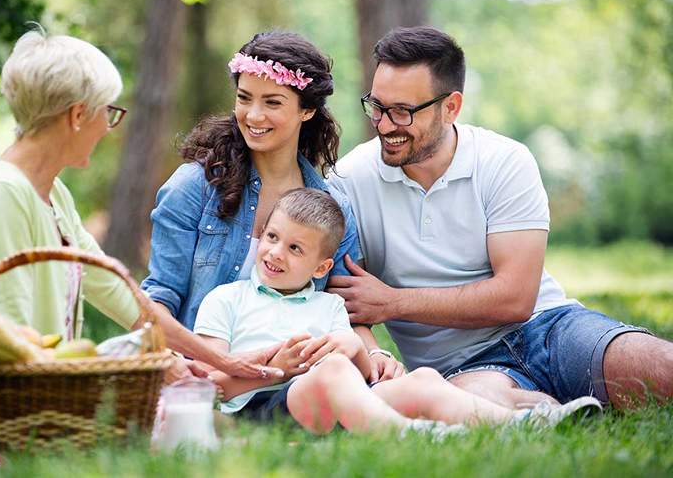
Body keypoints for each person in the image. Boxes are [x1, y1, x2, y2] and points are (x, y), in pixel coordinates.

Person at [327, 25, 673, 409]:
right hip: (464, 367)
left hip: (551, 329)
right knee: (479, 409)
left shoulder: (504, 161)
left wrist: (394, 302)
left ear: (451, 107)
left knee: (660, 368)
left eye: (403, 111)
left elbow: (516, 298)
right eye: (377, 106)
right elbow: (348, 302)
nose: (385, 124)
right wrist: (375, 354)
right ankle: (555, 409)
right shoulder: (349, 180)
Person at [0, 28, 274, 379]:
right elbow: (10, 342)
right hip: (12, 399)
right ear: (77, 116)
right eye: (108, 112)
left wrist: (216, 361)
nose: (109, 127)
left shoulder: (53, 193)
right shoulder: (2, 195)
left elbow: (122, 296)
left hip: (45, 388)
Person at [194, 188, 601, 433]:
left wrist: (353, 348)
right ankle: (407, 434)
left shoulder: (330, 304)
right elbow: (206, 386)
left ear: (321, 268)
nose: (274, 253)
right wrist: (277, 369)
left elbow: (366, 374)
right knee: (332, 369)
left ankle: (521, 424)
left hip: (342, 406)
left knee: (422, 378)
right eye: (272, 237)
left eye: (294, 248)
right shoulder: (227, 300)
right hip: (263, 409)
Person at [142, 31, 403, 382]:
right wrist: (172, 365)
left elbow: (345, 312)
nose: (253, 115)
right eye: (244, 98)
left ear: (307, 110)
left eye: (273, 102)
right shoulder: (194, 188)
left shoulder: (331, 208)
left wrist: (375, 355)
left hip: (300, 381)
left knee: (414, 386)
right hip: (203, 374)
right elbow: (160, 296)